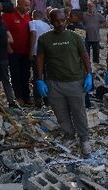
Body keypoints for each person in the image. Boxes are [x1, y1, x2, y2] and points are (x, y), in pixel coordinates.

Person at [35, 10, 93, 154]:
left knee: (79, 112)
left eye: (62, 21)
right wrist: (39, 80)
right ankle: (69, 135)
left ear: (66, 20)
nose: (60, 24)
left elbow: (85, 56)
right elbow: (40, 59)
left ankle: (84, 139)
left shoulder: (75, 37)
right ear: (50, 21)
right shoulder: (44, 39)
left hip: (74, 81)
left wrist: (89, 74)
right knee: (61, 113)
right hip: (54, 83)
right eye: (56, 21)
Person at [2, 0, 33, 105]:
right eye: (26, 5)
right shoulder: (7, 15)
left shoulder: (29, 16)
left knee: (25, 74)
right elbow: (3, 32)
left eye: (29, 5)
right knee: (15, 75)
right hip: (13, 52)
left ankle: (27, 96)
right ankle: (19, 96)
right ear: (18, 5)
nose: (28, 7)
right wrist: (8, 48)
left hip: (26, 52)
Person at [29, 9, 52, 106]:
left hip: (36, 53)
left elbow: (33, 34)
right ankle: (47, 100)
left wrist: (30, 50)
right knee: (46, 76)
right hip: (47, 53)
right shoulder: (47, 25)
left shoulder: (32, 22)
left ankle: (38, 100)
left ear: (33, 16)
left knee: (37, 77)